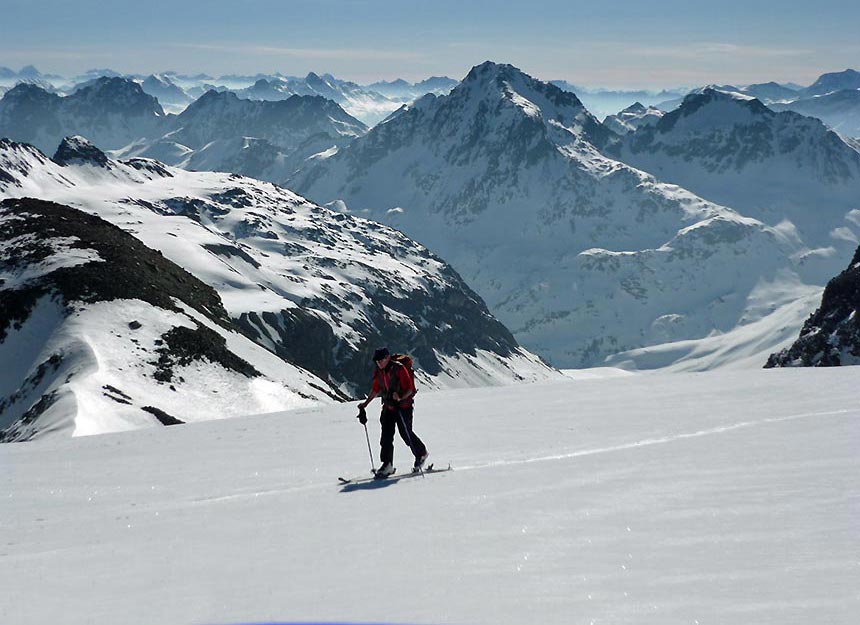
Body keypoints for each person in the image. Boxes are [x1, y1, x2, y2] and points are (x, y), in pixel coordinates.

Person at [357, 347, 429, 478]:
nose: (379, 363)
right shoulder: (379, 372)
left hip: (403, 407)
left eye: (381, 360)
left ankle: (421, 453)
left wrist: (400, 397)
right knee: (386, 436)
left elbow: (410, 389)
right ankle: (387, 464)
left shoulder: (399, 369)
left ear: (387, 358)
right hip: (389, 407)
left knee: (405, 433)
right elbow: (376, 389)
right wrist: (365, 404)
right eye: (377, 361)